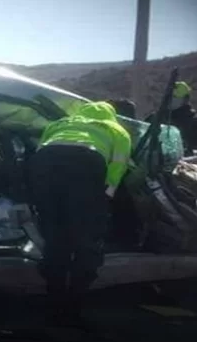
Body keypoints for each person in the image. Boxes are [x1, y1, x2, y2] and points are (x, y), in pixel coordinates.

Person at [29, 101, 132, 325]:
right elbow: (118, 165)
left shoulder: (61, 122)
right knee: (86, 239)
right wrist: (105, 196)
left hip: (45, 164)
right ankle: (75, 302)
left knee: (55, 236)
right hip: (86, 164)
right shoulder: (116, 130)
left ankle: (53, 296)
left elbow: (40, 151)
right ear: (111, 115)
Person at [146, 81, 197, 155]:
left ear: (185, 99)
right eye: (169, 97)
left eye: (175, 97)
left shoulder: (196, 122)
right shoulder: (155, 118)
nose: (170, 100)